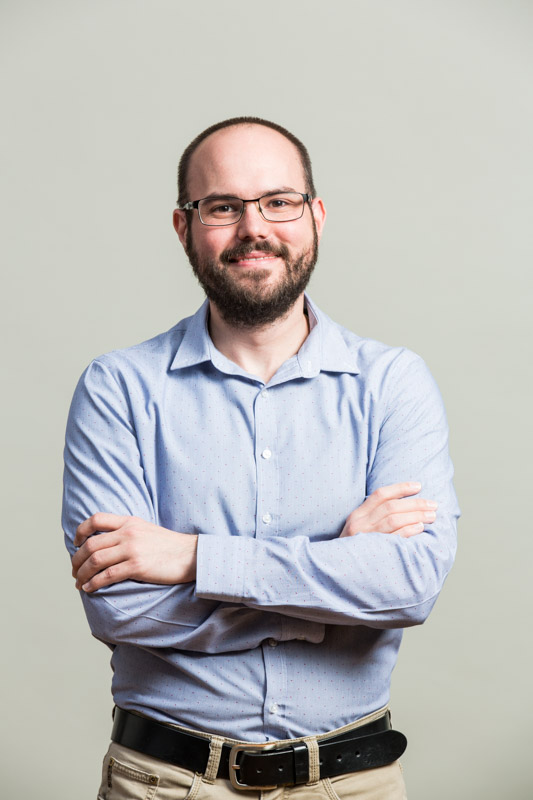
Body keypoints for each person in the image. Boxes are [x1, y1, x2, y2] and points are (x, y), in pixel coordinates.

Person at [63, 116, 459, 800]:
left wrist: (193, 558)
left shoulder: (393, 382)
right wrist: (332, 586)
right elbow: (123, 610)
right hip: (163, 784)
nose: (254, 228)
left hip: (351, 784)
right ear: (184, 227)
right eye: (222, 206)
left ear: (316, 217)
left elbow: (408, 585)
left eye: (279, 201)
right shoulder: (117, 388)